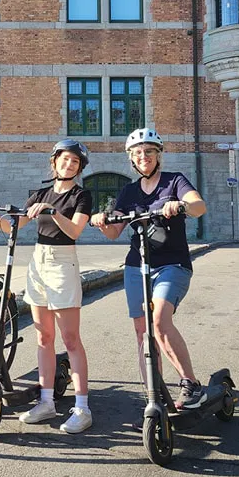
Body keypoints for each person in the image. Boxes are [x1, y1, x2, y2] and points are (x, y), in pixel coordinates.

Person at [0, 139, 93, 434]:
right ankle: (46, 401)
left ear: (79, 168)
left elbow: (74, 230)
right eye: (65, 159)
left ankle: (82, 408)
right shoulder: (40, 194)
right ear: (54, 161)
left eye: (75, 162)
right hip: (39, 262)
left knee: (71, 338)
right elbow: (13, 225)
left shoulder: (81, 195)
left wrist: (52, 212)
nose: (69, 165)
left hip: (63, 263)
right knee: (44, 336)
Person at [90, 127, 207, 419]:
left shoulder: (174, 181)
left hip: (172, 264)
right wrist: (102, 220)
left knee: (159, 322)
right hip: (136, 265)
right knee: (142, 332)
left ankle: (191, 384)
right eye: (138, 153)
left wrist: (180, 204)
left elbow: (199, 206)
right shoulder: (128, 192)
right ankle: (153, 396)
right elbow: (114, 231)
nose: (144, 156)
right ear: (131, 158)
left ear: (158, 155)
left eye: (149, 151)